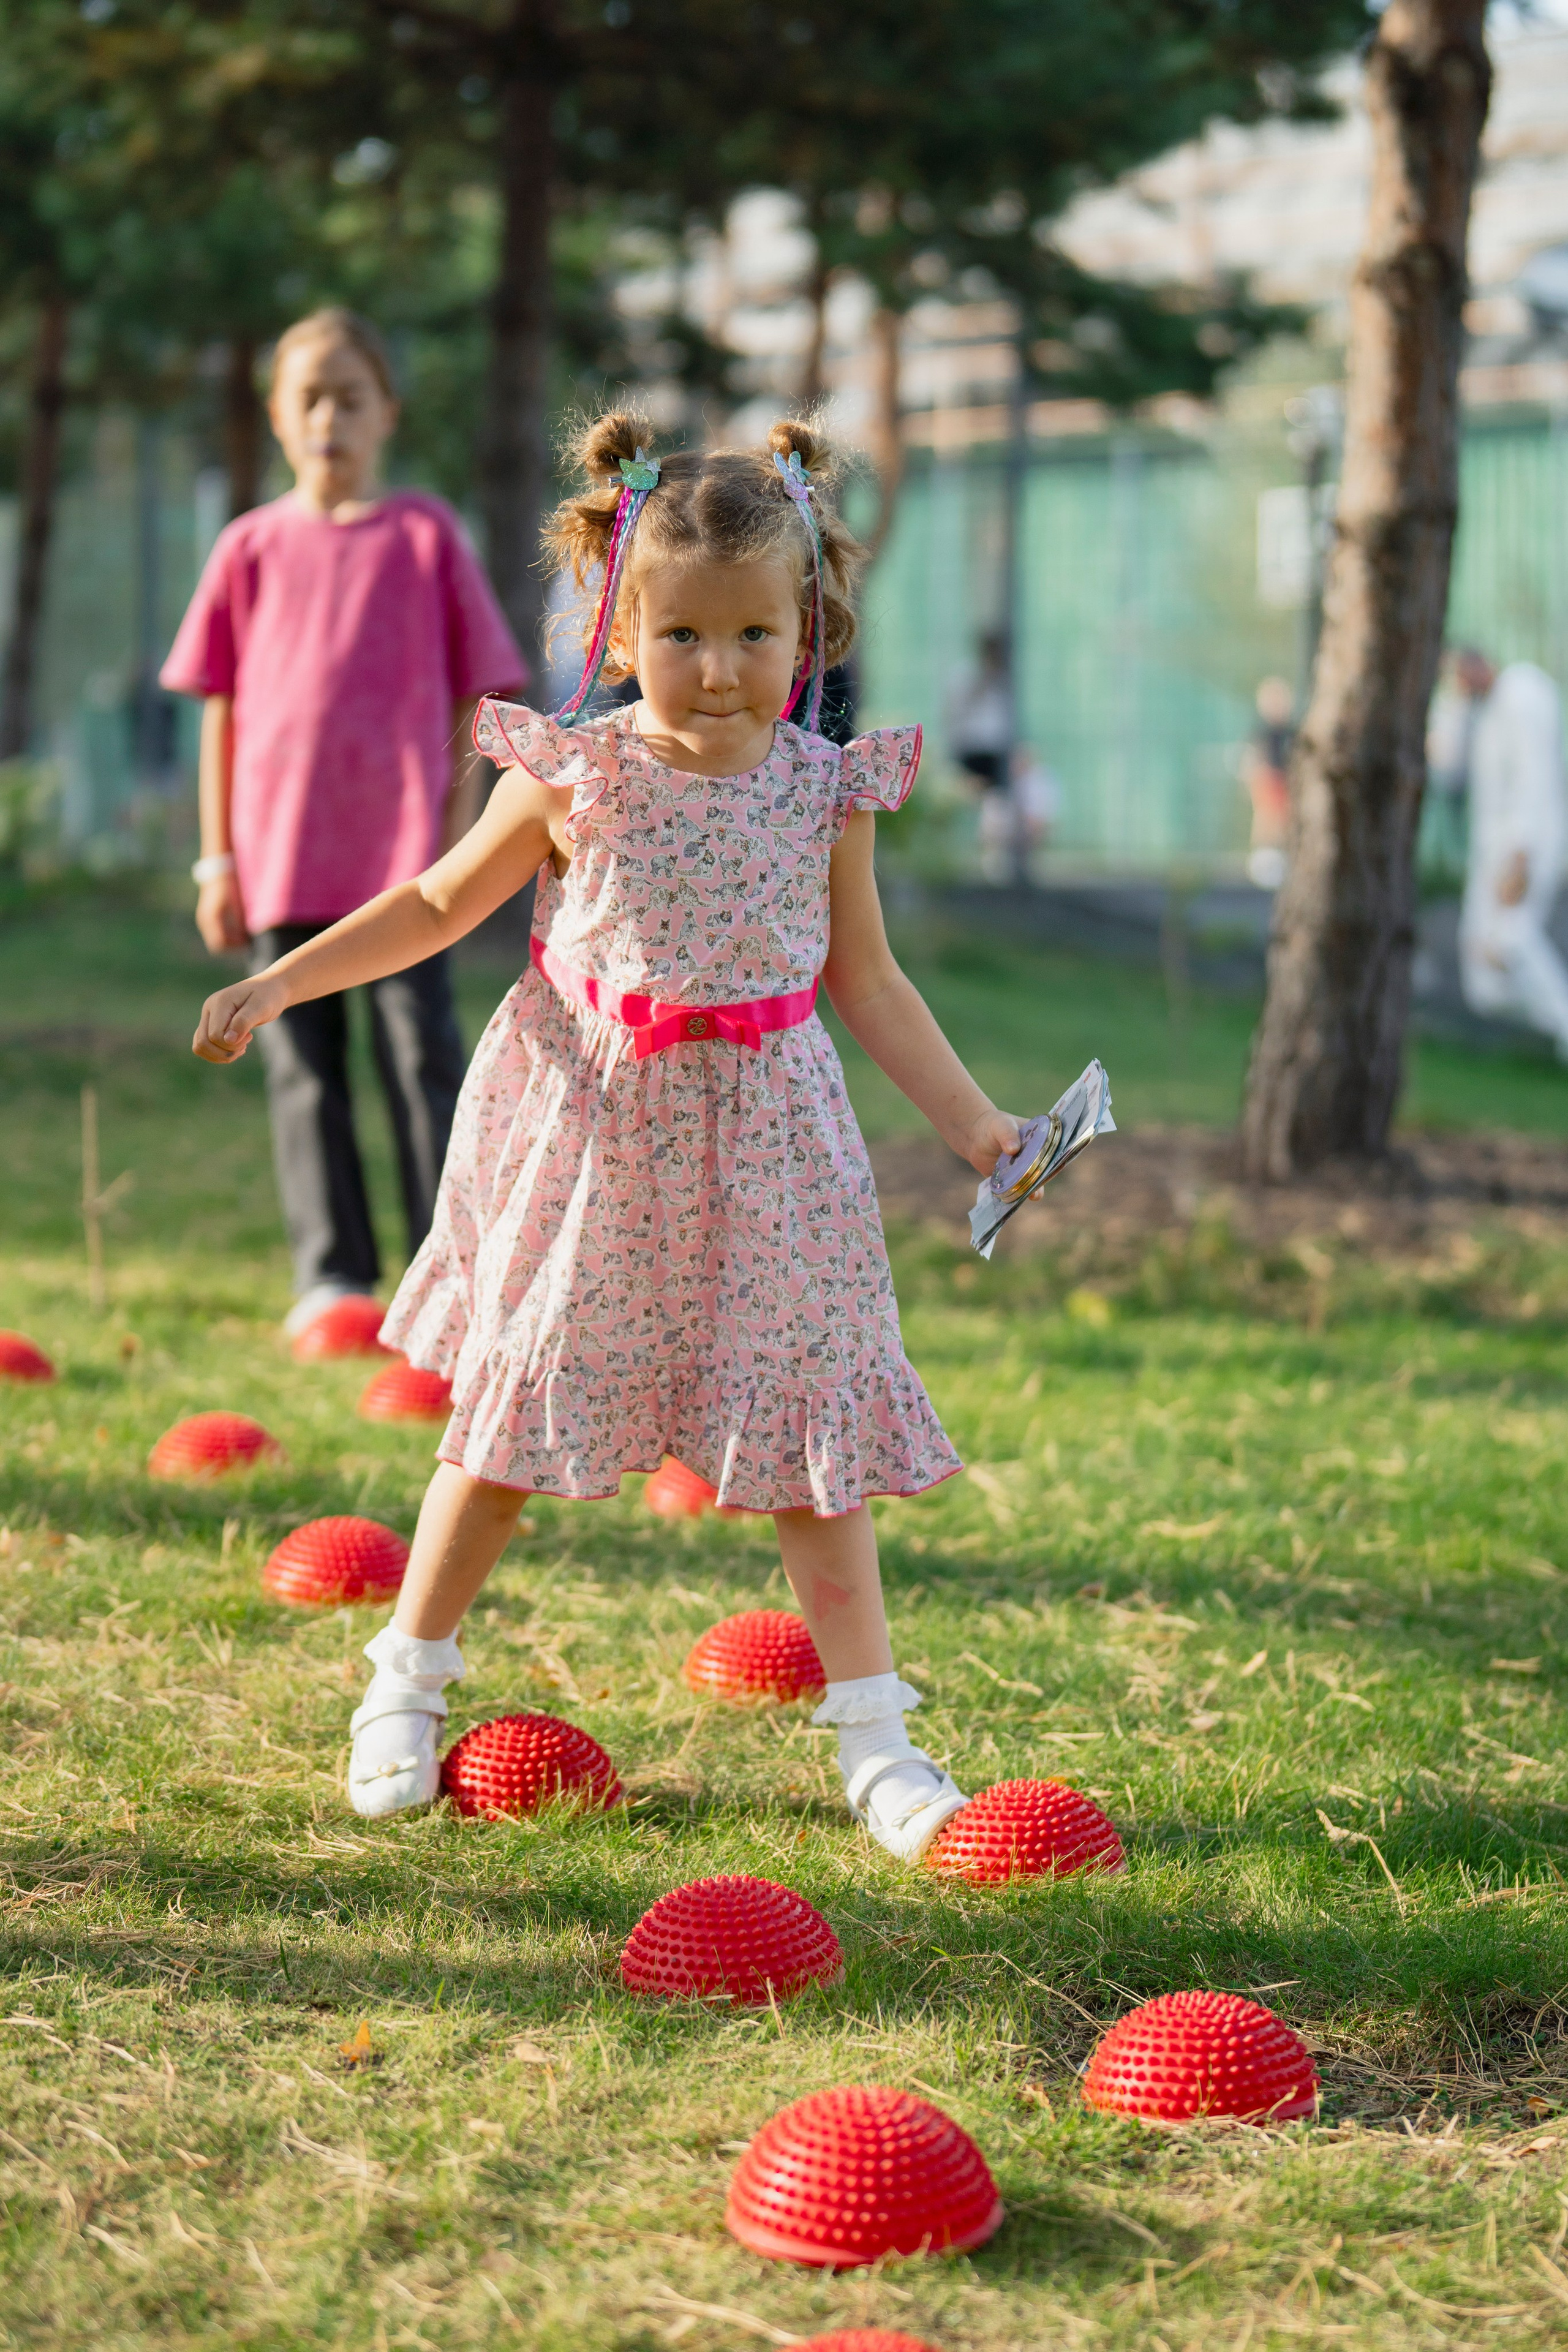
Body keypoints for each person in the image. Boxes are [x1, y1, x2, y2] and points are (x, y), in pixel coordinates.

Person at [192, 411, 1026, 1864]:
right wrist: (280, 975)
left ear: (808, 627)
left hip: (774, 1150)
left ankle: (877, 1738)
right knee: (508, 1423)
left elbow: (868, 980)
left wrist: (975, 1127)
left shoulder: (825, 789)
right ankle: (403, 1681)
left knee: (808, 1438)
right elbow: (440, 905)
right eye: (686, 632)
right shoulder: (574, 771)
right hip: (597, 1143)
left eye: (755, 632)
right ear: (622, 625)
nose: (720, 667)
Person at [162, 307, 527, 1339]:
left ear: (387, 415)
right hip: (280, 858)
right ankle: (333, 1275)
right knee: (301, 1063)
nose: (330, 416)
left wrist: (459, 831)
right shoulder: (249, 547)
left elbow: (477, 694)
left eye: (350, 397)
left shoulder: (425, 536)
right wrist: (214, 859)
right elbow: (219, 704)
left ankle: (445, 1270)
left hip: (405, 868)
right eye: (308, 397)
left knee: (422, 1057)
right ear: (278, 417)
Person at [1453, 647, 1568, 1058]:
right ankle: (1540, 1041)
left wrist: (1522, 855)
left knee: (1512, 939)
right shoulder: (1484, 713)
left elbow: (1536, 778)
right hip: (1493, 851)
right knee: (1482, 970)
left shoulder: (1523, 693)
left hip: (1528, 846)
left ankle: (1563, 1027)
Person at [1242, 676, 1295, 890]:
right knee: (1267, 820)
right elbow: (1252, 760)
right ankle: (1264, 861)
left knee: (1285, 821)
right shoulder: (1259, 734)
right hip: (1269, 781)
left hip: (1286, 782)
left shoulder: (1291, 733)